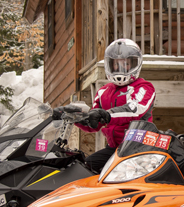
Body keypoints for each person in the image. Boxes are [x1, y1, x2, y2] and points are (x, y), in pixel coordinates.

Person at [54, 38, 156, 173]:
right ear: (109, 65)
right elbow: (94, 124)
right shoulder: (103, 92)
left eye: (125, 63)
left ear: (135, 64)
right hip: (115, 149)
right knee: (83, 169)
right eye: (115, 64)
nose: (119, 68)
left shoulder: (143, 87)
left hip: (139, 148)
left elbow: (134, 110)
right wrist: (72, 116)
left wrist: (107, 115)